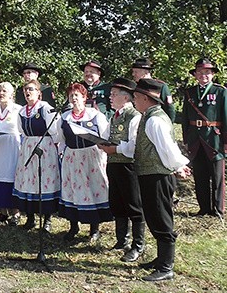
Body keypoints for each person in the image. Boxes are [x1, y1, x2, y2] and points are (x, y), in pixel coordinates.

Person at [132, 79, 191, 282]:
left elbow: (167, 148)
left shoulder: (155, 120)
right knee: (154, 217)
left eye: (136, 97)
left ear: (147, 99)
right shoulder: (149, 116)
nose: (134, 100)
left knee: (161, 220)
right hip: (151, 175)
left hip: (157, 176)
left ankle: (166, 266)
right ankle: (161, 260)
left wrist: (178, 166)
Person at [56, 83, 113, 243]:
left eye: (77, 96)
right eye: (71, 96)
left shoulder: (95, 115)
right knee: (72, 190)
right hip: (72, 157)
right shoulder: (64, 117)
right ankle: (73, 226)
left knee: (93, 189)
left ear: (84, 97)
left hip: (91, 157)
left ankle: (94, 229)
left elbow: (105, 137)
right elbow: (60, 138)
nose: (74, 99)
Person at [97, 78, 145, 263]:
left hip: (128, 165)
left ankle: (137, 245)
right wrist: (101, 143)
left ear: (126, 98)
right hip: (113, 163)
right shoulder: (114, 115)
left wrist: (113, 149)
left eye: (114, 94)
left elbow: (133, 145)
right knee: (117, 202)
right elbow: (108, 135)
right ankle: (121, 240)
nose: (110, 97)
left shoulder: (134, 116)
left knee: (134, 204)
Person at [13, 79, 60, 232]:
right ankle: (30, 217)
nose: (28, 93)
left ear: (39, 93)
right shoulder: (21, 112)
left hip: (44, 147)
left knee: (44, 181)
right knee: (28, 181)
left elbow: (55, 131)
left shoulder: (45, 109)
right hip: (28, 146)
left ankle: (47, 220)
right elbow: (21, 130)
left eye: (31, 89)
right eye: (26, 90)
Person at [182, 58, 226, 219]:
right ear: (195, 75)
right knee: (200, 175)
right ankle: (204, 209)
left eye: (207, 72)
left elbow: (225, 117)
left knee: (217, 177)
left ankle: (218, 210)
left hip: (214, 140)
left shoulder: (221, 92)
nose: (203, 75)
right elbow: (185, 118)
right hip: (196, 139)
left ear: (213, 74)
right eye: (200, 72)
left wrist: (225, 143)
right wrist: (187, 140)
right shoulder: (189, 92)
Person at [0, 81, 22, 225]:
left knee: (11, 177)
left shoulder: (18, 109)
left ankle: (16, 212)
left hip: (12, 146)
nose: (1, 93)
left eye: (4, 91)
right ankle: (3, 212)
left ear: (12, 94)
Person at [131, 57, 176, 122]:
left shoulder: (160, 86)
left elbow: (169, 109)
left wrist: (167, 124)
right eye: (133, 72)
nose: (133, 74)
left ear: (145, 72)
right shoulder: (135, 86)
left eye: (136, 72)